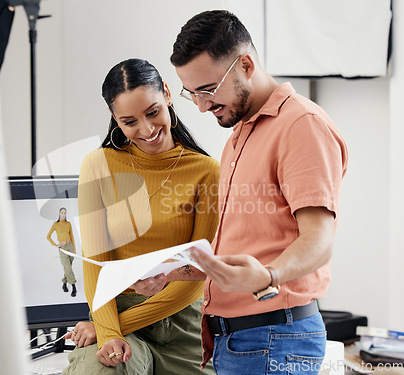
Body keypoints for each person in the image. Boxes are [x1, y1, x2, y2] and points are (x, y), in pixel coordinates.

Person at [167, 10, 349, 375]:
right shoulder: (238, 137)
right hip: (238, 342)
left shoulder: (301, 125)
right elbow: (237, 255)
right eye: (192, 93)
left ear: (246, 64)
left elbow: (319, 239)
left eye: (208, 90)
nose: (201, 106)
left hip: (273, 340)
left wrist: (268, 276)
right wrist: (168, 273)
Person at [61, 58, 220, 374]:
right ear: (114, 118)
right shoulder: (98, 166)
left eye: (153, 112)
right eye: (130, 121)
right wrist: (109, 331)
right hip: (116, 315)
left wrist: (111, 326)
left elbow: (200, 271)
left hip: (183, 323)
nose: (147, 130)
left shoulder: (206, 171)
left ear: (167, 94)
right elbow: (96, 266)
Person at [47, 207, 77, 297]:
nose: (64, 214)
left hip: (70, 246)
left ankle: (64, 283)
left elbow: (72, 235)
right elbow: (48, 236)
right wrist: (55, 245)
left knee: (68, 267)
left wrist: (74, 248)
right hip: (62, 247)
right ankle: (73, 286)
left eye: (65, 213)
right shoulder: (55, 224)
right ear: (59, 213)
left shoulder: (68, 224)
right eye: (62, 212)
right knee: (67, 267)